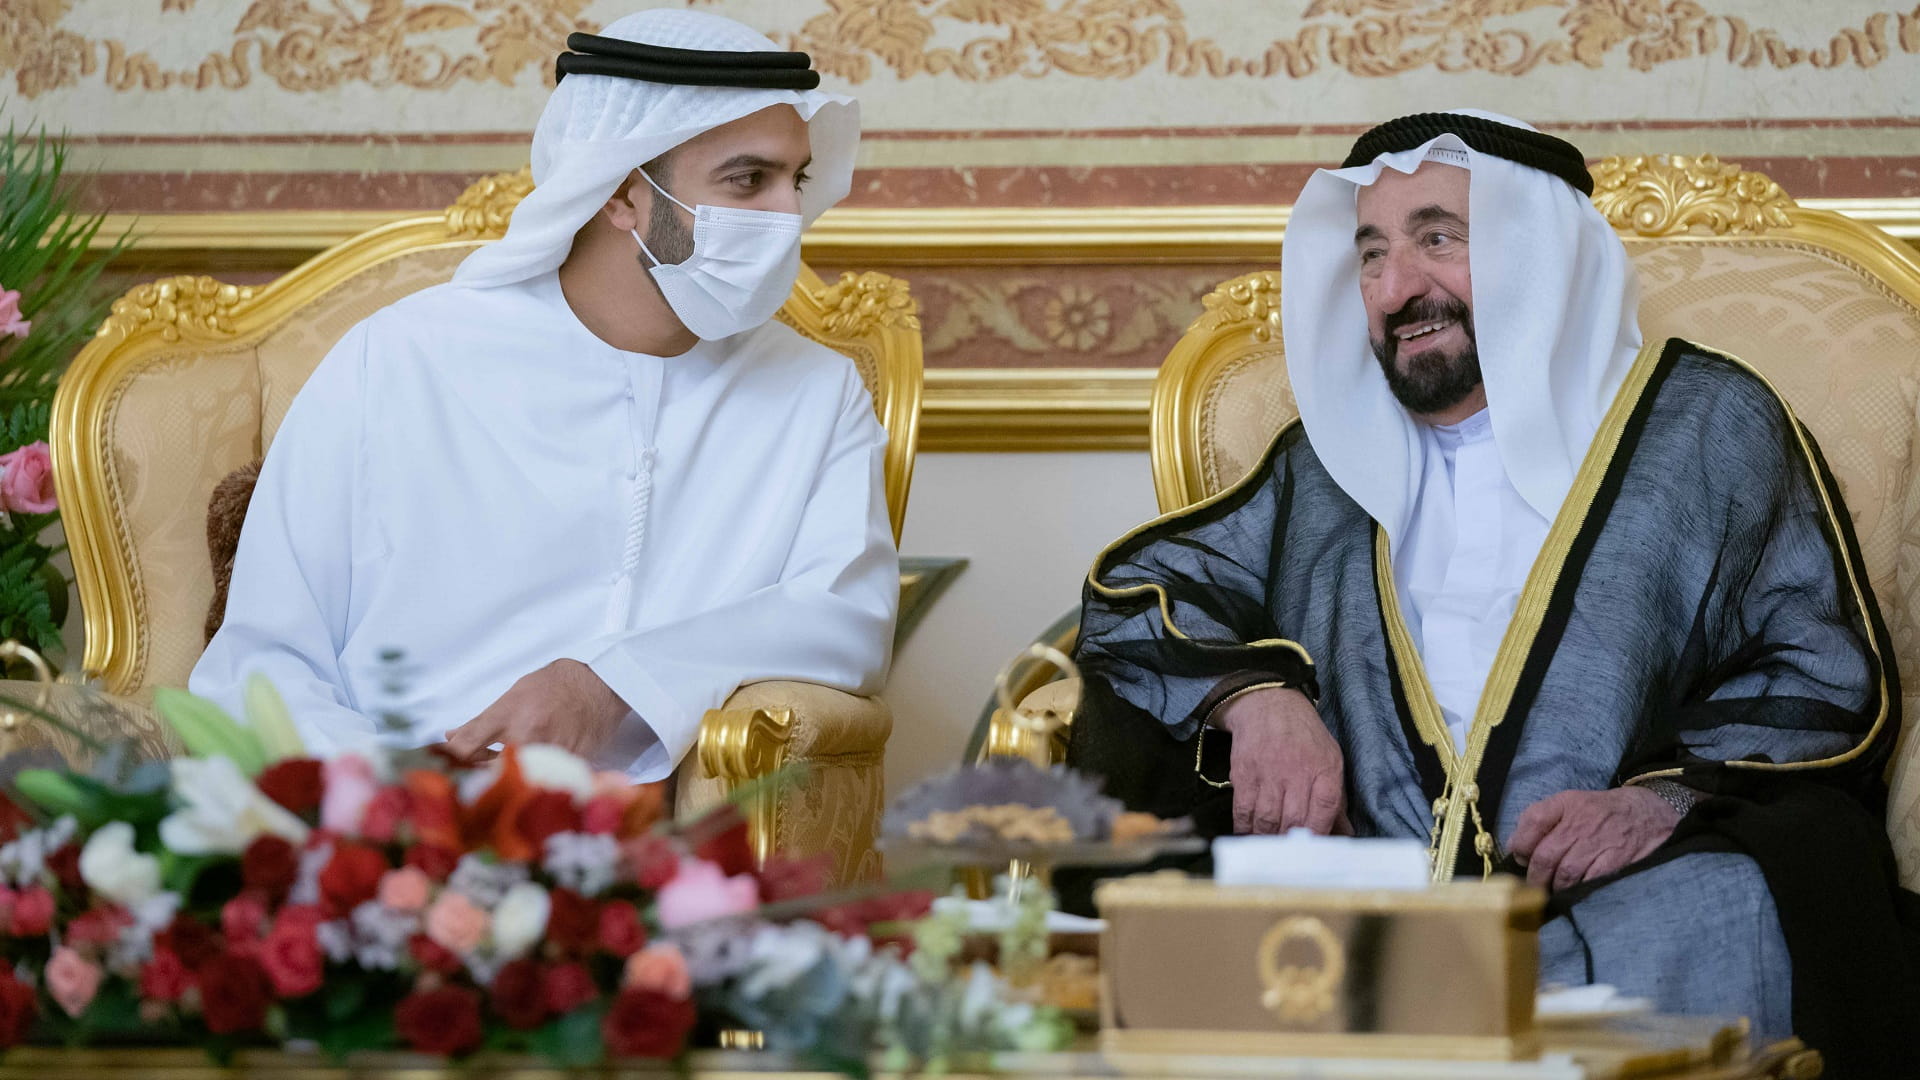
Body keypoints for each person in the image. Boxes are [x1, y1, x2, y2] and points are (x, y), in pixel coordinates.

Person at [1067, 110, 1918, 1070]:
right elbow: (1141, 590)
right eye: (1373, 254)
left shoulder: (1706, 426)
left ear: (1538, 252)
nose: (1398, 289)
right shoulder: (1329, 463)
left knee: (1736, 896)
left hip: (1619, 886)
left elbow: (1820, 669)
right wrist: (1253, 695)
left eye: (1438, 238)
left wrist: (1664, 799)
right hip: (1363, 895)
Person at [191, 10, 897, 782]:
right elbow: (261, 661)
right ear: (622, 194)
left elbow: (846, 617)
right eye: (746, 180)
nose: (788, 216)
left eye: (794, 181)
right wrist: (403, 797)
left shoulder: (816, 392)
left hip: (638, 848)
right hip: (384, 817)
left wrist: (616, 684)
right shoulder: (400, 360)